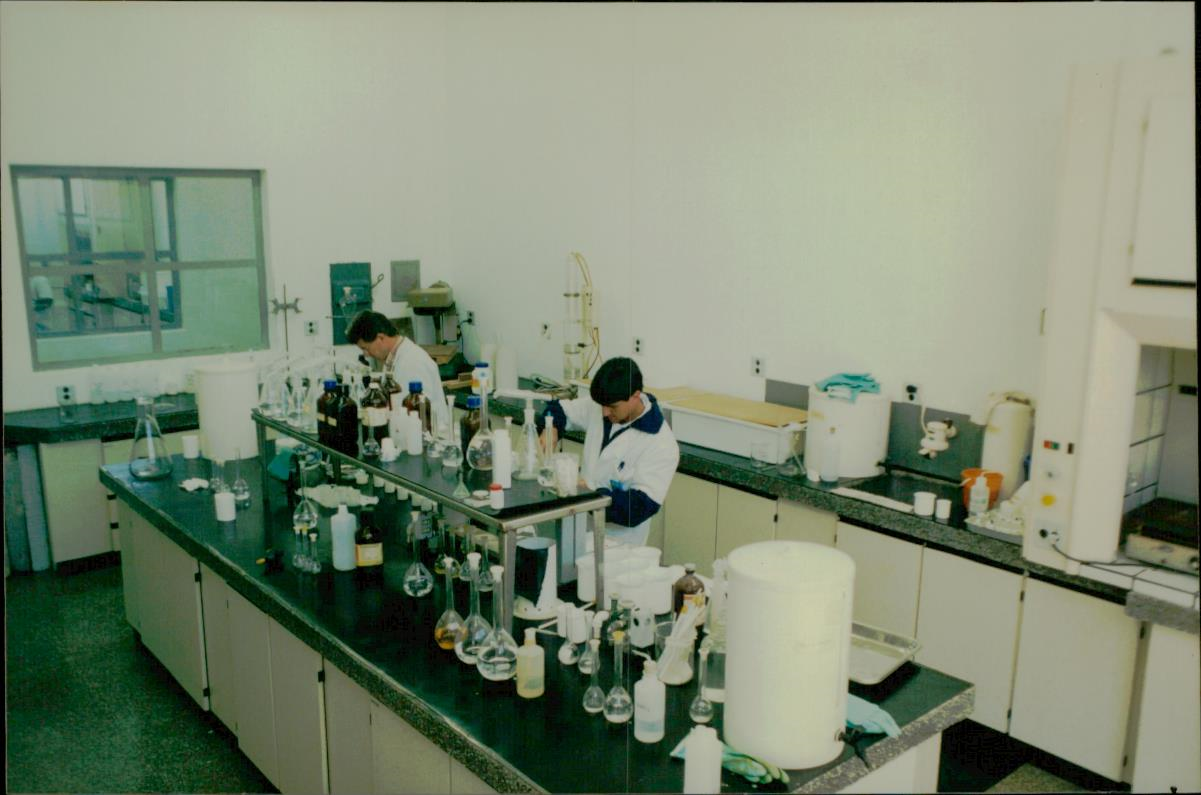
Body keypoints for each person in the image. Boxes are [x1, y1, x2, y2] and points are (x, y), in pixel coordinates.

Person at [539, 357, 679, 548]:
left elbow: (639, 508)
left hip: (618, 546)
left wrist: (592, 495)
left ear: (635, 396)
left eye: (612, 407)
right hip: (577, 529)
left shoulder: (660, 443)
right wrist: (551, 428)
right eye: (603, 406)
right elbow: (559, 409)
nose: (605, 413)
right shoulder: (603, 405)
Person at [345, 310, 450, 433]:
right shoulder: (392, 358)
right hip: (405, 432)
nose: (366, 354)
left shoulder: (413, 361)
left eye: (365, 348)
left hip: (426, 436)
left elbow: (418, 414)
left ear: (380, 338)